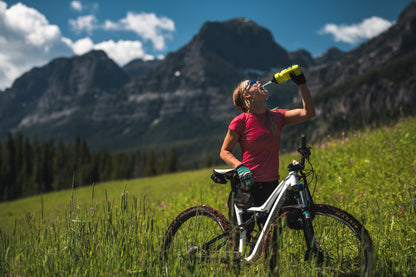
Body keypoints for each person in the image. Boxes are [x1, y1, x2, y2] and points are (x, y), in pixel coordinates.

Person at [220, 70, 315, 211]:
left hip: (272, 185)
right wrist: (240, 167)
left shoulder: (277, 117)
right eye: (252, 83)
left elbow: (309, 113)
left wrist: (302, 84)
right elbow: (224, 151)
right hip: (247, 184)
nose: (258, 82)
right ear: (246, 95)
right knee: (239, 232)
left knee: (272, 232)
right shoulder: (240, 121)